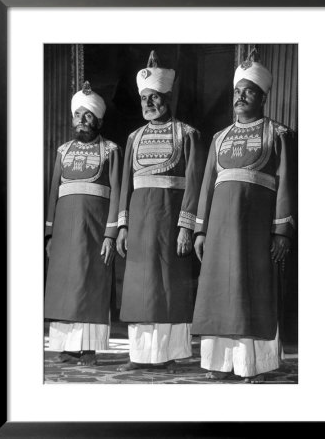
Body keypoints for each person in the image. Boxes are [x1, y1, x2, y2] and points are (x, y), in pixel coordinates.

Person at [191, 57, 297, 382]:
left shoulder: (279, 134)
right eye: (237, 91)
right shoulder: (218, 138)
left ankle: (256, 366)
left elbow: (286, 186)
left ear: (262, 97)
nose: (240, 97)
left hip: (255, 232)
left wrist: (282, 232)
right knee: (217, 293)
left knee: (253, 293)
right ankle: (218, 364)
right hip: (219, 232)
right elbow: (207, 187)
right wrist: (200, 230)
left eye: (248, 92)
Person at [116, 51, 205, 372]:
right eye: (144, 98)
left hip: (170, 226)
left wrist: (186, 227)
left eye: (155, 97)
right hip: (139, 226)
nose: (149, 103)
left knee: (168, 289)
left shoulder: (188, 135)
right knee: (139, 290)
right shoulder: (133, 138)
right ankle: (140, 356)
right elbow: (124, 186)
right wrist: (121, 228)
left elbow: (195, 185)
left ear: (167, 97)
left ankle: (169, 354)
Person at [44, 81, 122, 366]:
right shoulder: (63, 151)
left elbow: (117, 193)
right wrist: (50, 234)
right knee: (65, 286)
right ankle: (66, 346)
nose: (82, 120)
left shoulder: (111, 150)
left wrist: (111, 233)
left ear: (99, 120)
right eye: (78, 114)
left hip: (95, 229)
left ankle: (88, 348)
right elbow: (54, 192)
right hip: (64, 231)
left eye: (88, 115)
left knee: (91, 285)